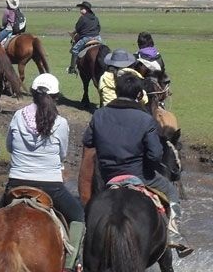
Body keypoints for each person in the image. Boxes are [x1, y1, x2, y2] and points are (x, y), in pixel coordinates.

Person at [82, 71, 192, 257]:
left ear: (117, 92)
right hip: (139, 175)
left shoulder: (99, 115)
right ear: (139, 95)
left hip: (108, 175)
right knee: (172, 193)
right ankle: (174, 236)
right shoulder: (145, 119)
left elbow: (88, 141)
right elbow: (155, 155)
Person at [2, 72, 86, 272]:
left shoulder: (18, 116)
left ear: (32, 93)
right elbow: (62, 154)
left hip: (16, 183)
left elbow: (10, 147)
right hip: (51, 186)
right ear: (55, 97)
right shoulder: (61, 123)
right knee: (79, 216)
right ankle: (69, 264)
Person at [68, 1, 101, 74]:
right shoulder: (95, 18)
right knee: (103, 48)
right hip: (97, 37)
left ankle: (72, 68)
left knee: (75, 50)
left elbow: (78, 28)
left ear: (87, 9)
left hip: (86, 38)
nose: (80, 10)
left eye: (82, 8)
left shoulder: (82, 18)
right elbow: (99, 28)